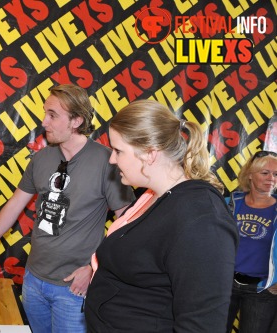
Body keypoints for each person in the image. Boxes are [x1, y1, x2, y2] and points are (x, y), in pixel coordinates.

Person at [0, 84, 135, 332]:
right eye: (44, 113)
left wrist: (95, 267)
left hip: (73, 288)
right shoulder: (41, 159)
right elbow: (15, 204)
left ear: (77, 120)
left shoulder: (108, 160)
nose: (44, 122)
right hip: (33, 280)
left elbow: (127, 223)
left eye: (52, 115)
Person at [84, 99, 238, 332]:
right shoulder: (152, 197)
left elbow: (201, 326)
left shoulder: (202, 219)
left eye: (118, 151)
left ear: (150, 154)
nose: (112, 160)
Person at [226, 150, 277, 333]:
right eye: (265, 173)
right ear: (249, 175)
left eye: (276, 174)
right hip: (225, 285)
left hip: (262, 290)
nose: (271, 178)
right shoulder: (229, 204)